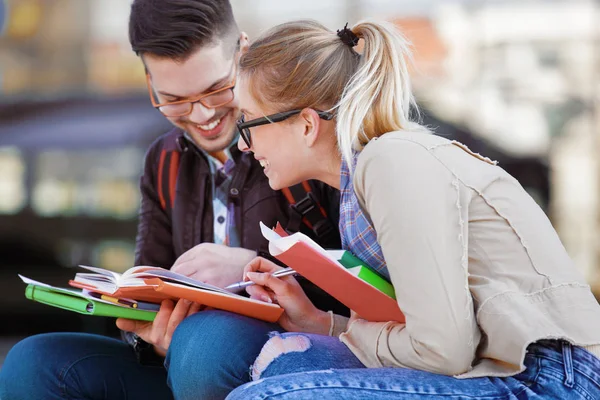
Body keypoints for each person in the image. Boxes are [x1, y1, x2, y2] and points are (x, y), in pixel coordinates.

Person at [185, 19, 600, 399]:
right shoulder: (363, 182)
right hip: (511, 366)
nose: (242, 145)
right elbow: (435, 340)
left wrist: (350, 331)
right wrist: (321, 323)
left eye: (249, 123)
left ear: (308, 125)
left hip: (552, 376)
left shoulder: (390, 162)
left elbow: (443, 350)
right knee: (285, 361)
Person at [0, 2, 344, 400]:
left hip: (292, 357)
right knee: (33, 362)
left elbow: (368, 280)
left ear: (243, 53)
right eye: (174, 99)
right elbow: (150, 278)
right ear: (149, 81)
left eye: (217, 89)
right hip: (183, 362)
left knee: (204, 345)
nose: (202, 115)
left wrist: (256, 263)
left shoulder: (301, 138)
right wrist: (146, 333)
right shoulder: (163, 160)